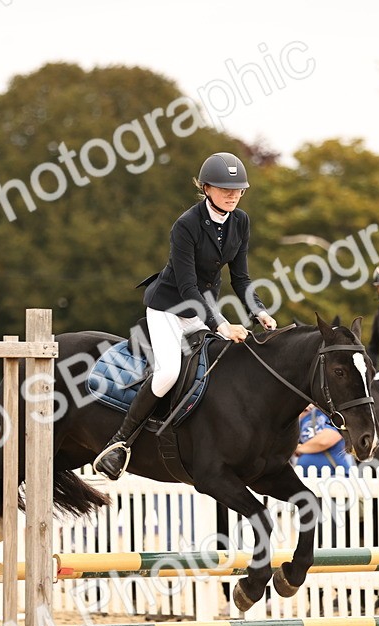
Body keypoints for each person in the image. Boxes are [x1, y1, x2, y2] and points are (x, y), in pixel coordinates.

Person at [93, 152, 276, 479]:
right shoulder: (186, 225)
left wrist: (259, 311)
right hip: (169, 307)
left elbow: (241, 278)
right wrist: (219, 323)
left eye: (238, 190)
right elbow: (188, 286)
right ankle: (119, 444)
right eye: (225, 189)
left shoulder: (241, 222)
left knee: (224, 367)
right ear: (206, 188)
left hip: (201, 307)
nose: (233, 195)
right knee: (168, 373)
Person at [293, 404, 356, 472]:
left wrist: (298, 449)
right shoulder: (306, 417)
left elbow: (325, 441)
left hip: (333, 475)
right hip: (302, 474)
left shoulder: (336, 417)